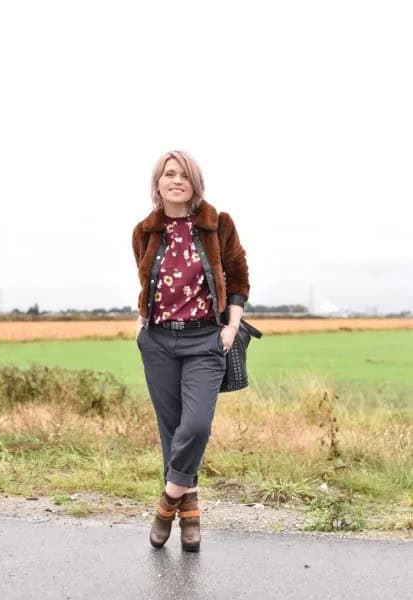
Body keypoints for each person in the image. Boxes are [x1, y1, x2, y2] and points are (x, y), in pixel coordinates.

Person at [132, 150, 250, 552]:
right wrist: (140, 323)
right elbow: (148, 281)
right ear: (158, 183)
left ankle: (167, 503)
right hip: (159, 340)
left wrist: (231, 326)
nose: (176, 180)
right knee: (172, 432)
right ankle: (191, 508)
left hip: (206, 340)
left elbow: (237, 278)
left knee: (195, 426)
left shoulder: (218, 225)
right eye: (169, 174)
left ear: (195, 183)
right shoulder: (145, 231)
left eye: (184, 174)